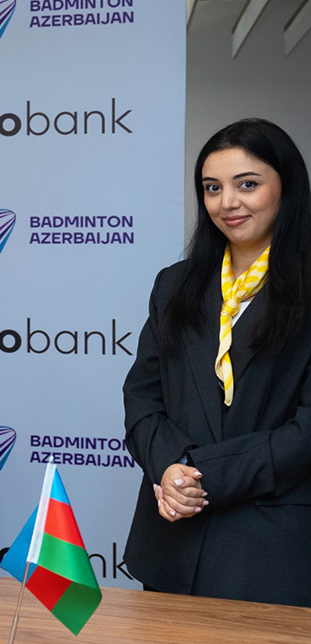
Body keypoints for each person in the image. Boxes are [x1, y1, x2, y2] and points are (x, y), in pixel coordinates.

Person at [124, 118, 311, 606]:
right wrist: (168, 467)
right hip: (169, 547)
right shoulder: (175, 284)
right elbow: (142, 398)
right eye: (212, 188)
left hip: (272, 552)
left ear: (287, 187)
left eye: (247, 184)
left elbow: (306, 433)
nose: (227, 202)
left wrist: (196, 473)